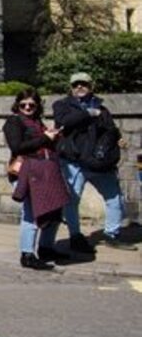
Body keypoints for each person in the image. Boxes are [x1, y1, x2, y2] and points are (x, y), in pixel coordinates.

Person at [53, 72, 132, 251]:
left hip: (99, 162)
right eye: (76, 85)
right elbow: (64, 121)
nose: (80, 87)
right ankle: (75, 236)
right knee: (72, 200)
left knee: (115, 198)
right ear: (71, 88)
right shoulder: (62, 105)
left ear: (91, 86)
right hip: (74, 161)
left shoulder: (102, 108)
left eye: (84, 84)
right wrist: (88, 113)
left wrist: (118, 140)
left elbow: (110, 129)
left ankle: (112, 234)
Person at [4, 87, 68, 270]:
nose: (27, 107)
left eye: (31, 104)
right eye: (23, 104)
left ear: (37, 106)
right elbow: (17, 147)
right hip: (27, 172)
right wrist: (45, 138)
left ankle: (46, 248)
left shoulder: (38, 122)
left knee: (54, 210)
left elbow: (46, 145)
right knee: (32, 213)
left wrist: (53, 137)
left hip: (46, 171)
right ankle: (27, 254)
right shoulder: (13, 122)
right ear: (17, 105)